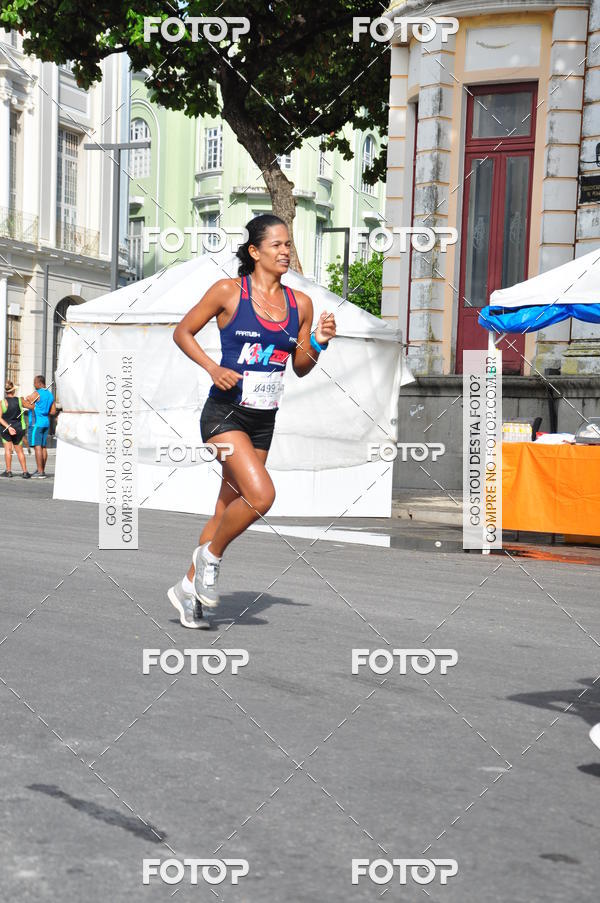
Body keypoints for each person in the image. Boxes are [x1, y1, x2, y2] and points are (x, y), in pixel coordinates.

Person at [169, 214, 337, 628]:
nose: (285, 251)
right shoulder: (229, 292)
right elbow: (182, 332)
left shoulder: (301, 304)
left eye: (287, 245)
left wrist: (318, 341)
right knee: (261, 496)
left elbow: (300, 367)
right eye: (276, 245)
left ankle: (186, 591)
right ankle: (209, 558)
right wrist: (212, 367)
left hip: (264, 420)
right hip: (224, 413)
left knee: (226, 507)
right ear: (255, 251)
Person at [0, 381, 32, 479]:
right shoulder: (20, 400)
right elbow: (32, 406)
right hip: (18, 428)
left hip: (6, 429)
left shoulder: (2, 402)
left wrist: (9, 428)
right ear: (14, 390)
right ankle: (25, 472)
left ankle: (9, 471)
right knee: (20, 451)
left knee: (8, 450)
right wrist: (30, 401)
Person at [27, 375, 56, 479]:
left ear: (39, 383)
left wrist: (25, 400)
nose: (34, 385)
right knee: (43, 447)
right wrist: (44, 411)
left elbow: (28, 401)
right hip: (46, 422)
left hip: (37, 423)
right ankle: (42, 470)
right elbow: (53, 411)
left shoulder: (37, 393)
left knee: (37, 446)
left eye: (35, 382)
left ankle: (40, 472)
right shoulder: (50, 395)